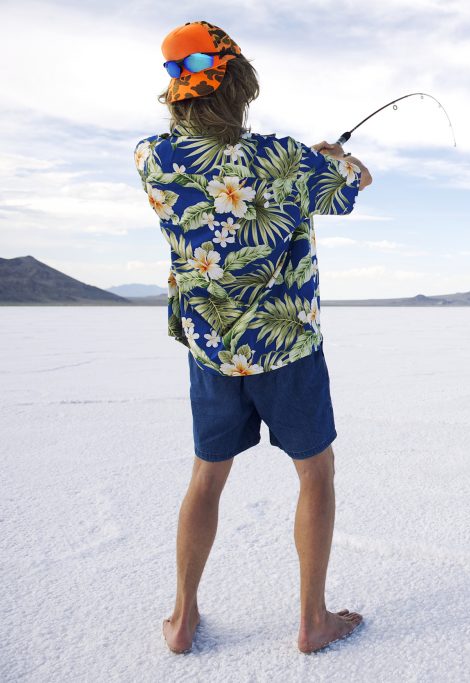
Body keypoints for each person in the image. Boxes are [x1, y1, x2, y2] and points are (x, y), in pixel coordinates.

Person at [134, 20, 371, 654]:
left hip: (212, 351)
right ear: (240, 81)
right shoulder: (287, 159)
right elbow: (351, 191)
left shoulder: (151, 158)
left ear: (178, 91)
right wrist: (339, 160)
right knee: (314, 473)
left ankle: (183, 619)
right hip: (288, 348)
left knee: (206, 479)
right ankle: (312, 622)